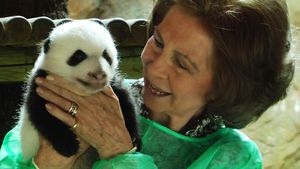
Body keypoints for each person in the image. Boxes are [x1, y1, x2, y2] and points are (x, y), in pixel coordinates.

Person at [0, 0, 294, 168]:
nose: (155, 64)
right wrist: (48, 160)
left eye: (182, 63)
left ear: (226, 85)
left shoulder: (234, 158)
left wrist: (119, 152)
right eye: (158, 41)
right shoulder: (87, 95)